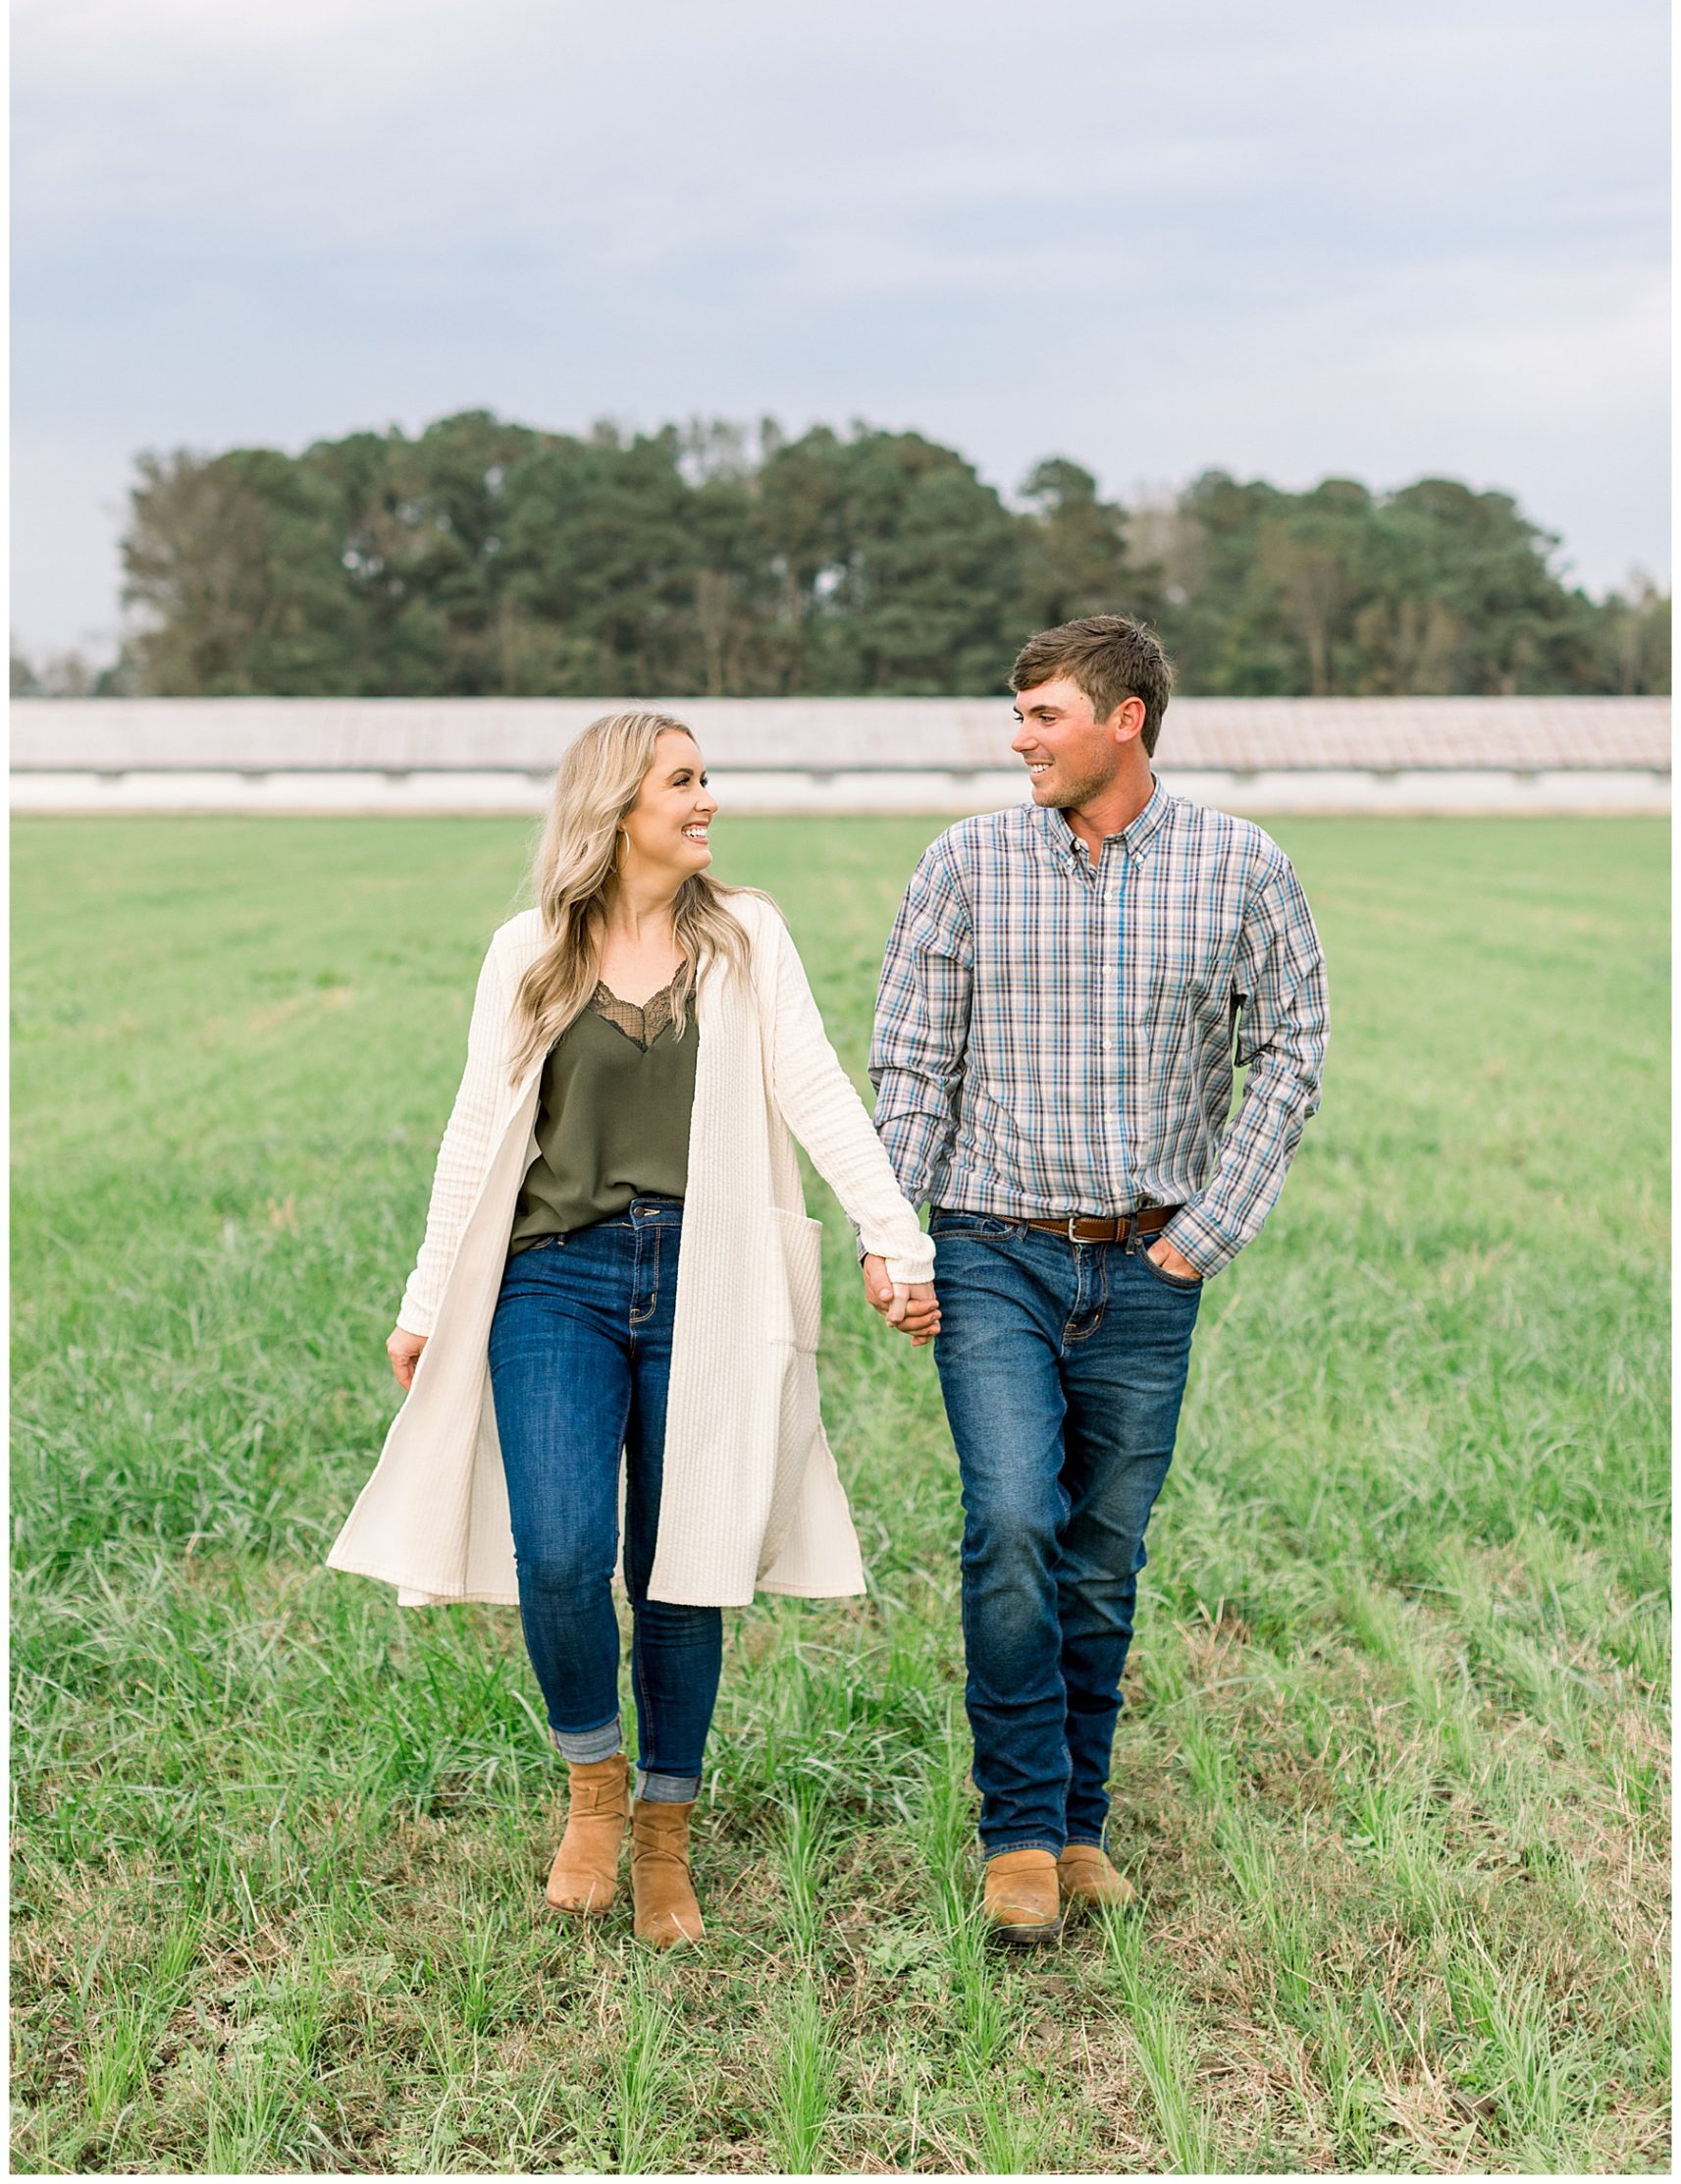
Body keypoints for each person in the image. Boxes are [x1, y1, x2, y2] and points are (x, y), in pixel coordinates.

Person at [329, 710, 938, 1947]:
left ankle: (665, 1828)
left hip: (711, 1275)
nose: (707, 799)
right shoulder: (530, 950)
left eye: (706, 778)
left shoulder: (746, 936)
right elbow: (471, 1131)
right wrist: (423, 1299)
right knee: (559, 1550)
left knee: (687, 1559)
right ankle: (592, 1785)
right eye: (683, 781)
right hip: (553, 1277)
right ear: (616, 808)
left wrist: (895, 1233)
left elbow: (815, 1086)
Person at [865, 614, 1328, 1944]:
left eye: (1044, 715)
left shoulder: (1242, 869)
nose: (1020, 739)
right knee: (1012, 1518)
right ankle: (1017, 1833)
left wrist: (1205, 1231)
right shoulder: (964, 864)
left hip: (1148, 1267)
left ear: (1126, 718)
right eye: (1016, 716)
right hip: (990, 1247)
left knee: (1101, 1558)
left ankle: (1079, 1826)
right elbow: (912, 1067)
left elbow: (1290, 1054)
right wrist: (894, 1235)